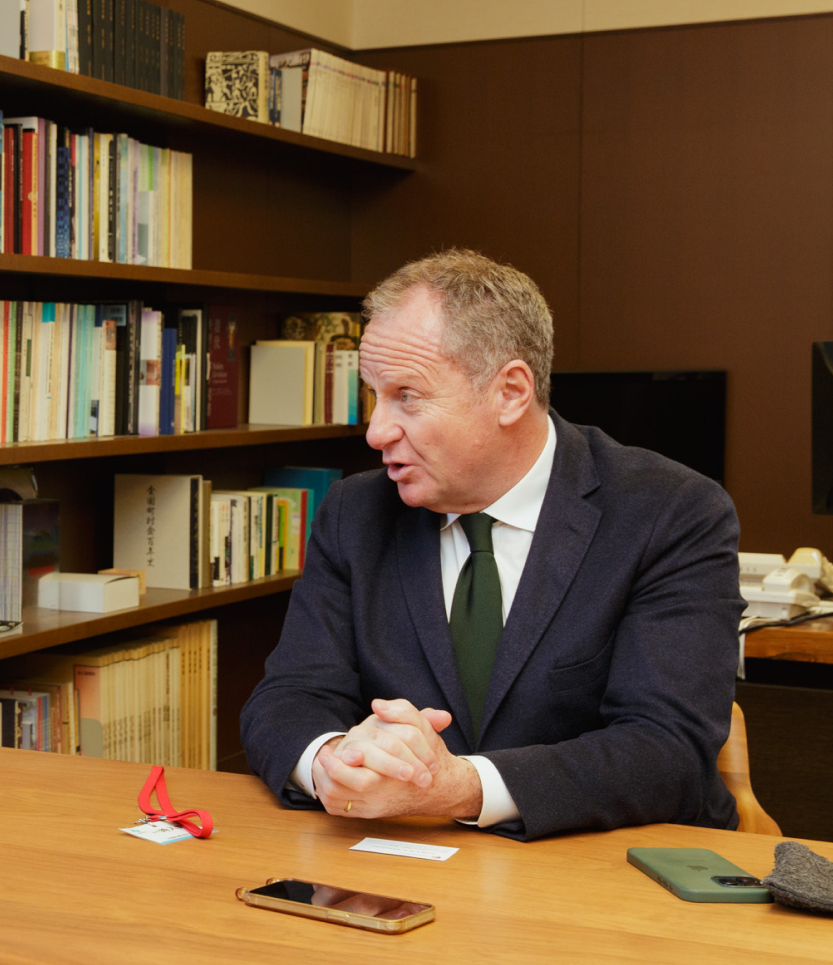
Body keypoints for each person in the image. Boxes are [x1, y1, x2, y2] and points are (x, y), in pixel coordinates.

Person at [239, 249, 742, 840]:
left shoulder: (672, 512)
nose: (376, 432)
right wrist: (331, 763)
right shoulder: (356, 512)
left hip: (607, 869)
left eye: (408, 396)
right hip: (395, 863)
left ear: (509, 392)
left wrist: (461, 787)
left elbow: (667, 749)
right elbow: (290, 695)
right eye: (374, 394)